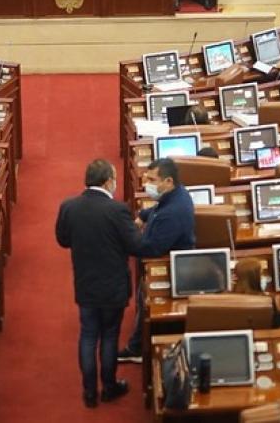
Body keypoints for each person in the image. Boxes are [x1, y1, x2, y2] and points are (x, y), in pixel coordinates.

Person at [55, 159, 139, 406]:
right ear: (108, 181)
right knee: (110, 336)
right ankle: (109, 387)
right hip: (114, 287)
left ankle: (89, 392)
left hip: (86, 283)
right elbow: (134, 245)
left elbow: (63, 240)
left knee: (88, 335)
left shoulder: (69, 206)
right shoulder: (118, 210)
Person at [121, 158, 195, 363]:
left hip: (167, 267)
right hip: (169, 259)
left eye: (152, 180)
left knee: (145, 302)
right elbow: (157, 209)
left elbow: (152, 249)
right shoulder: (176, 194)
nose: (147, 184)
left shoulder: (172, 213)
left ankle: (137, 348)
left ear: (168, 181)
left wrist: (126, 241)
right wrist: (144, 215)